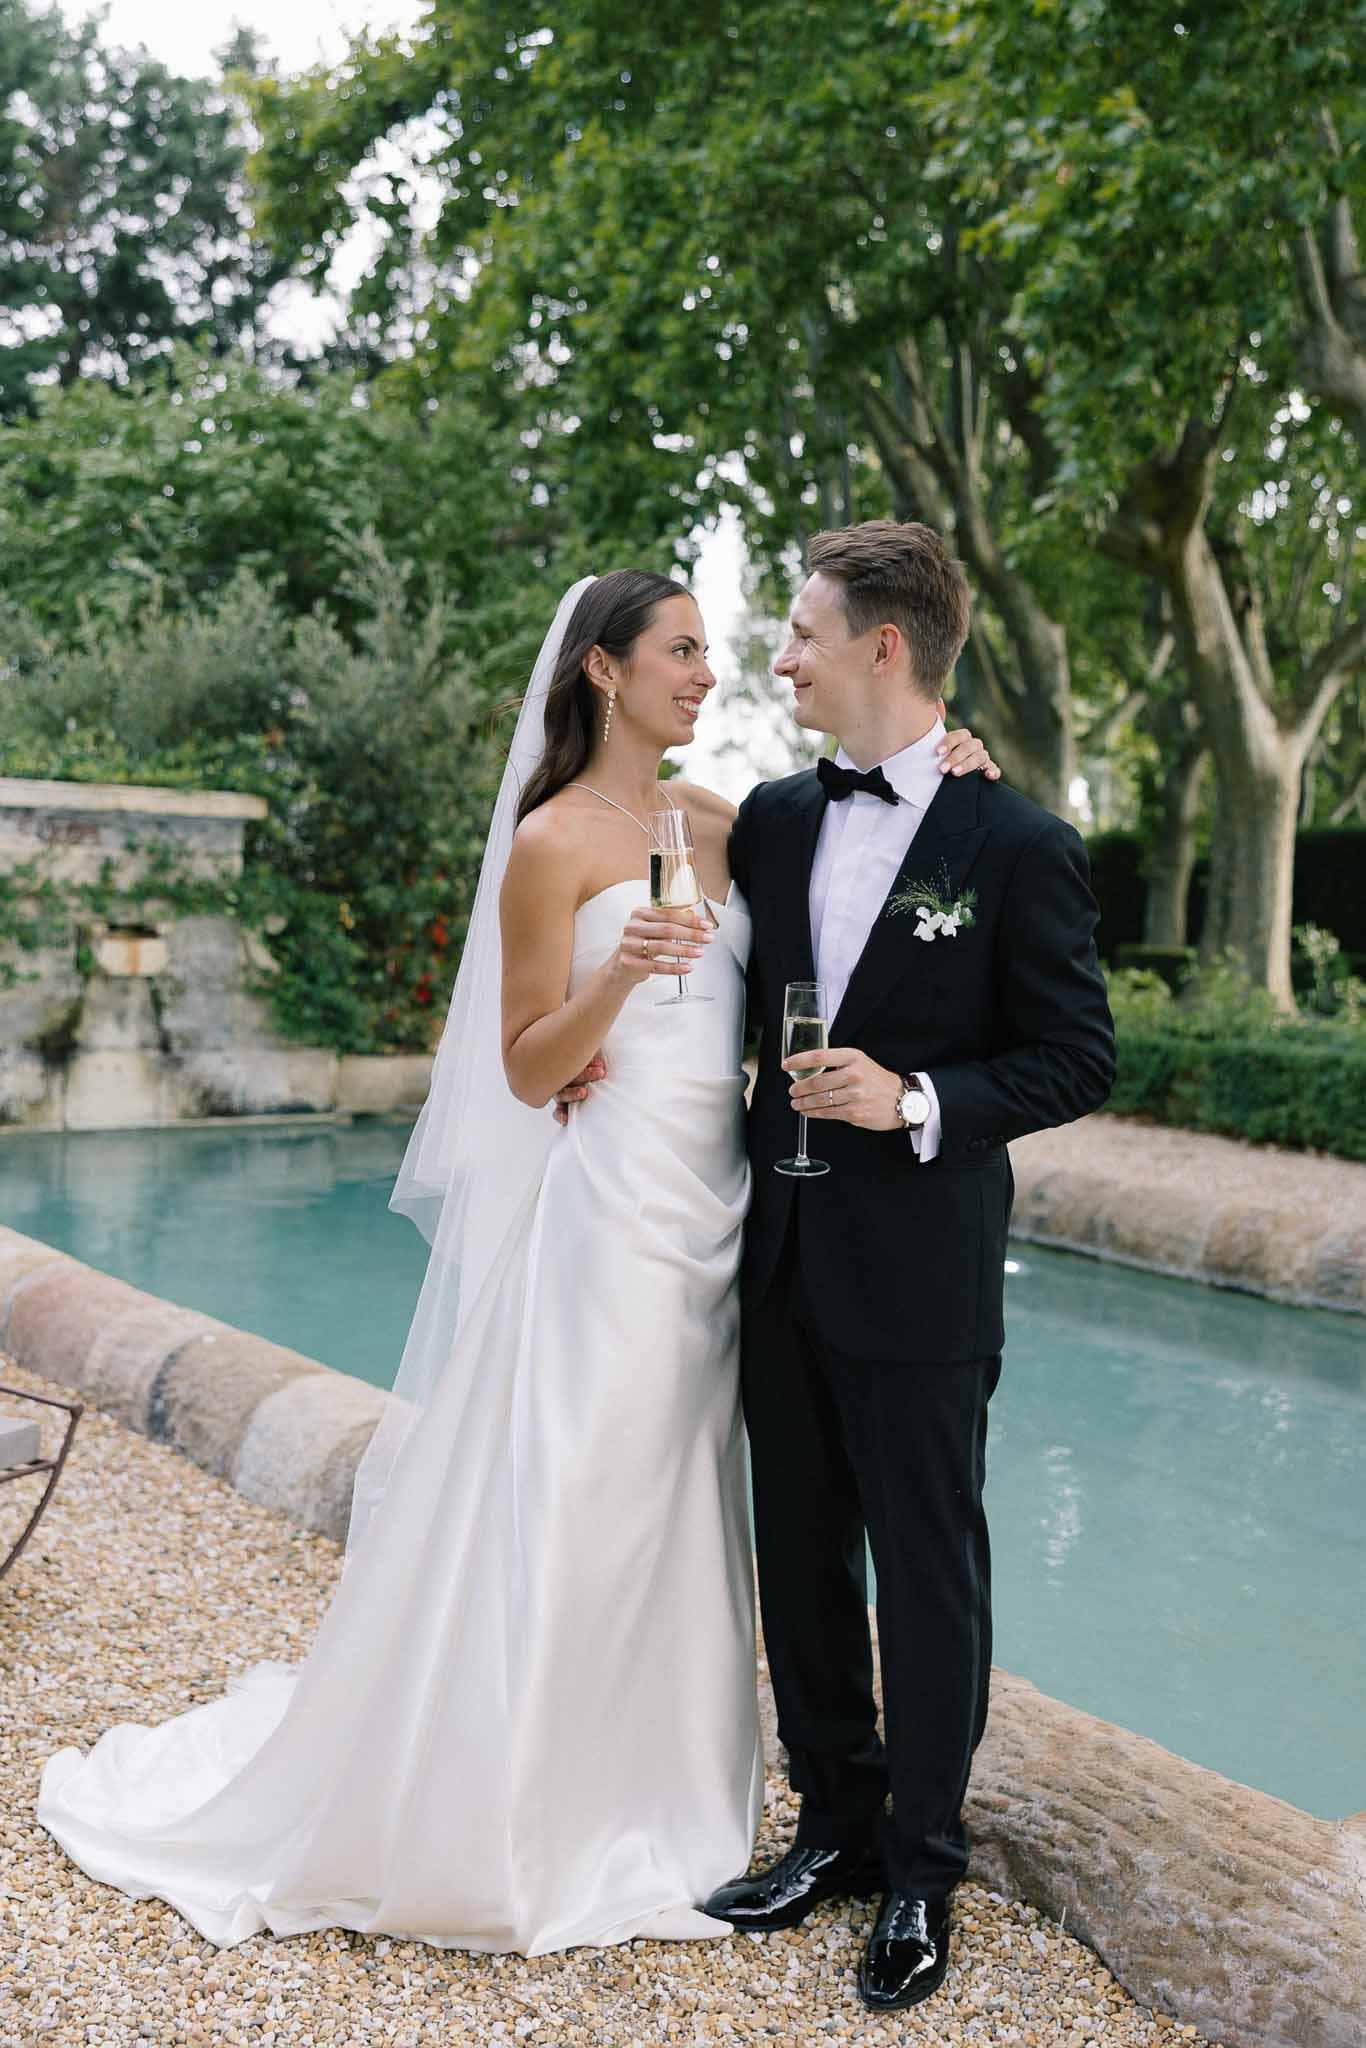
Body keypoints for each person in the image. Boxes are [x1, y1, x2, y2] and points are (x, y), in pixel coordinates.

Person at [35, 567, 996, 1958]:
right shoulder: (548, 842)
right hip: (605, 1214)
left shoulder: (733, 823)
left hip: (727, 1215)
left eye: (714, 650)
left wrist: (958, 759)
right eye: (681, 650)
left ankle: (669, 1793)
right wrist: (618, 975)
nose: (709, 673)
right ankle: (532, 1810)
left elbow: (886, 853)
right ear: (603, 668)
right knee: (580, 1480)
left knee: (684, 1501)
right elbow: (529, 1067)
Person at [700, 521, 1117, 2013]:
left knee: (929, 1576)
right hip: (778, 1256)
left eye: (801, 632)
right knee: (803, 1558)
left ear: (884, 645)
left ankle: (924, 1874)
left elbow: (1077, 1056)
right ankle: (834, 1829)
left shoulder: (1017, 845)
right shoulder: (768, 817)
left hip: (923, 1276)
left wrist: (919, 1099)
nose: (780, 659)